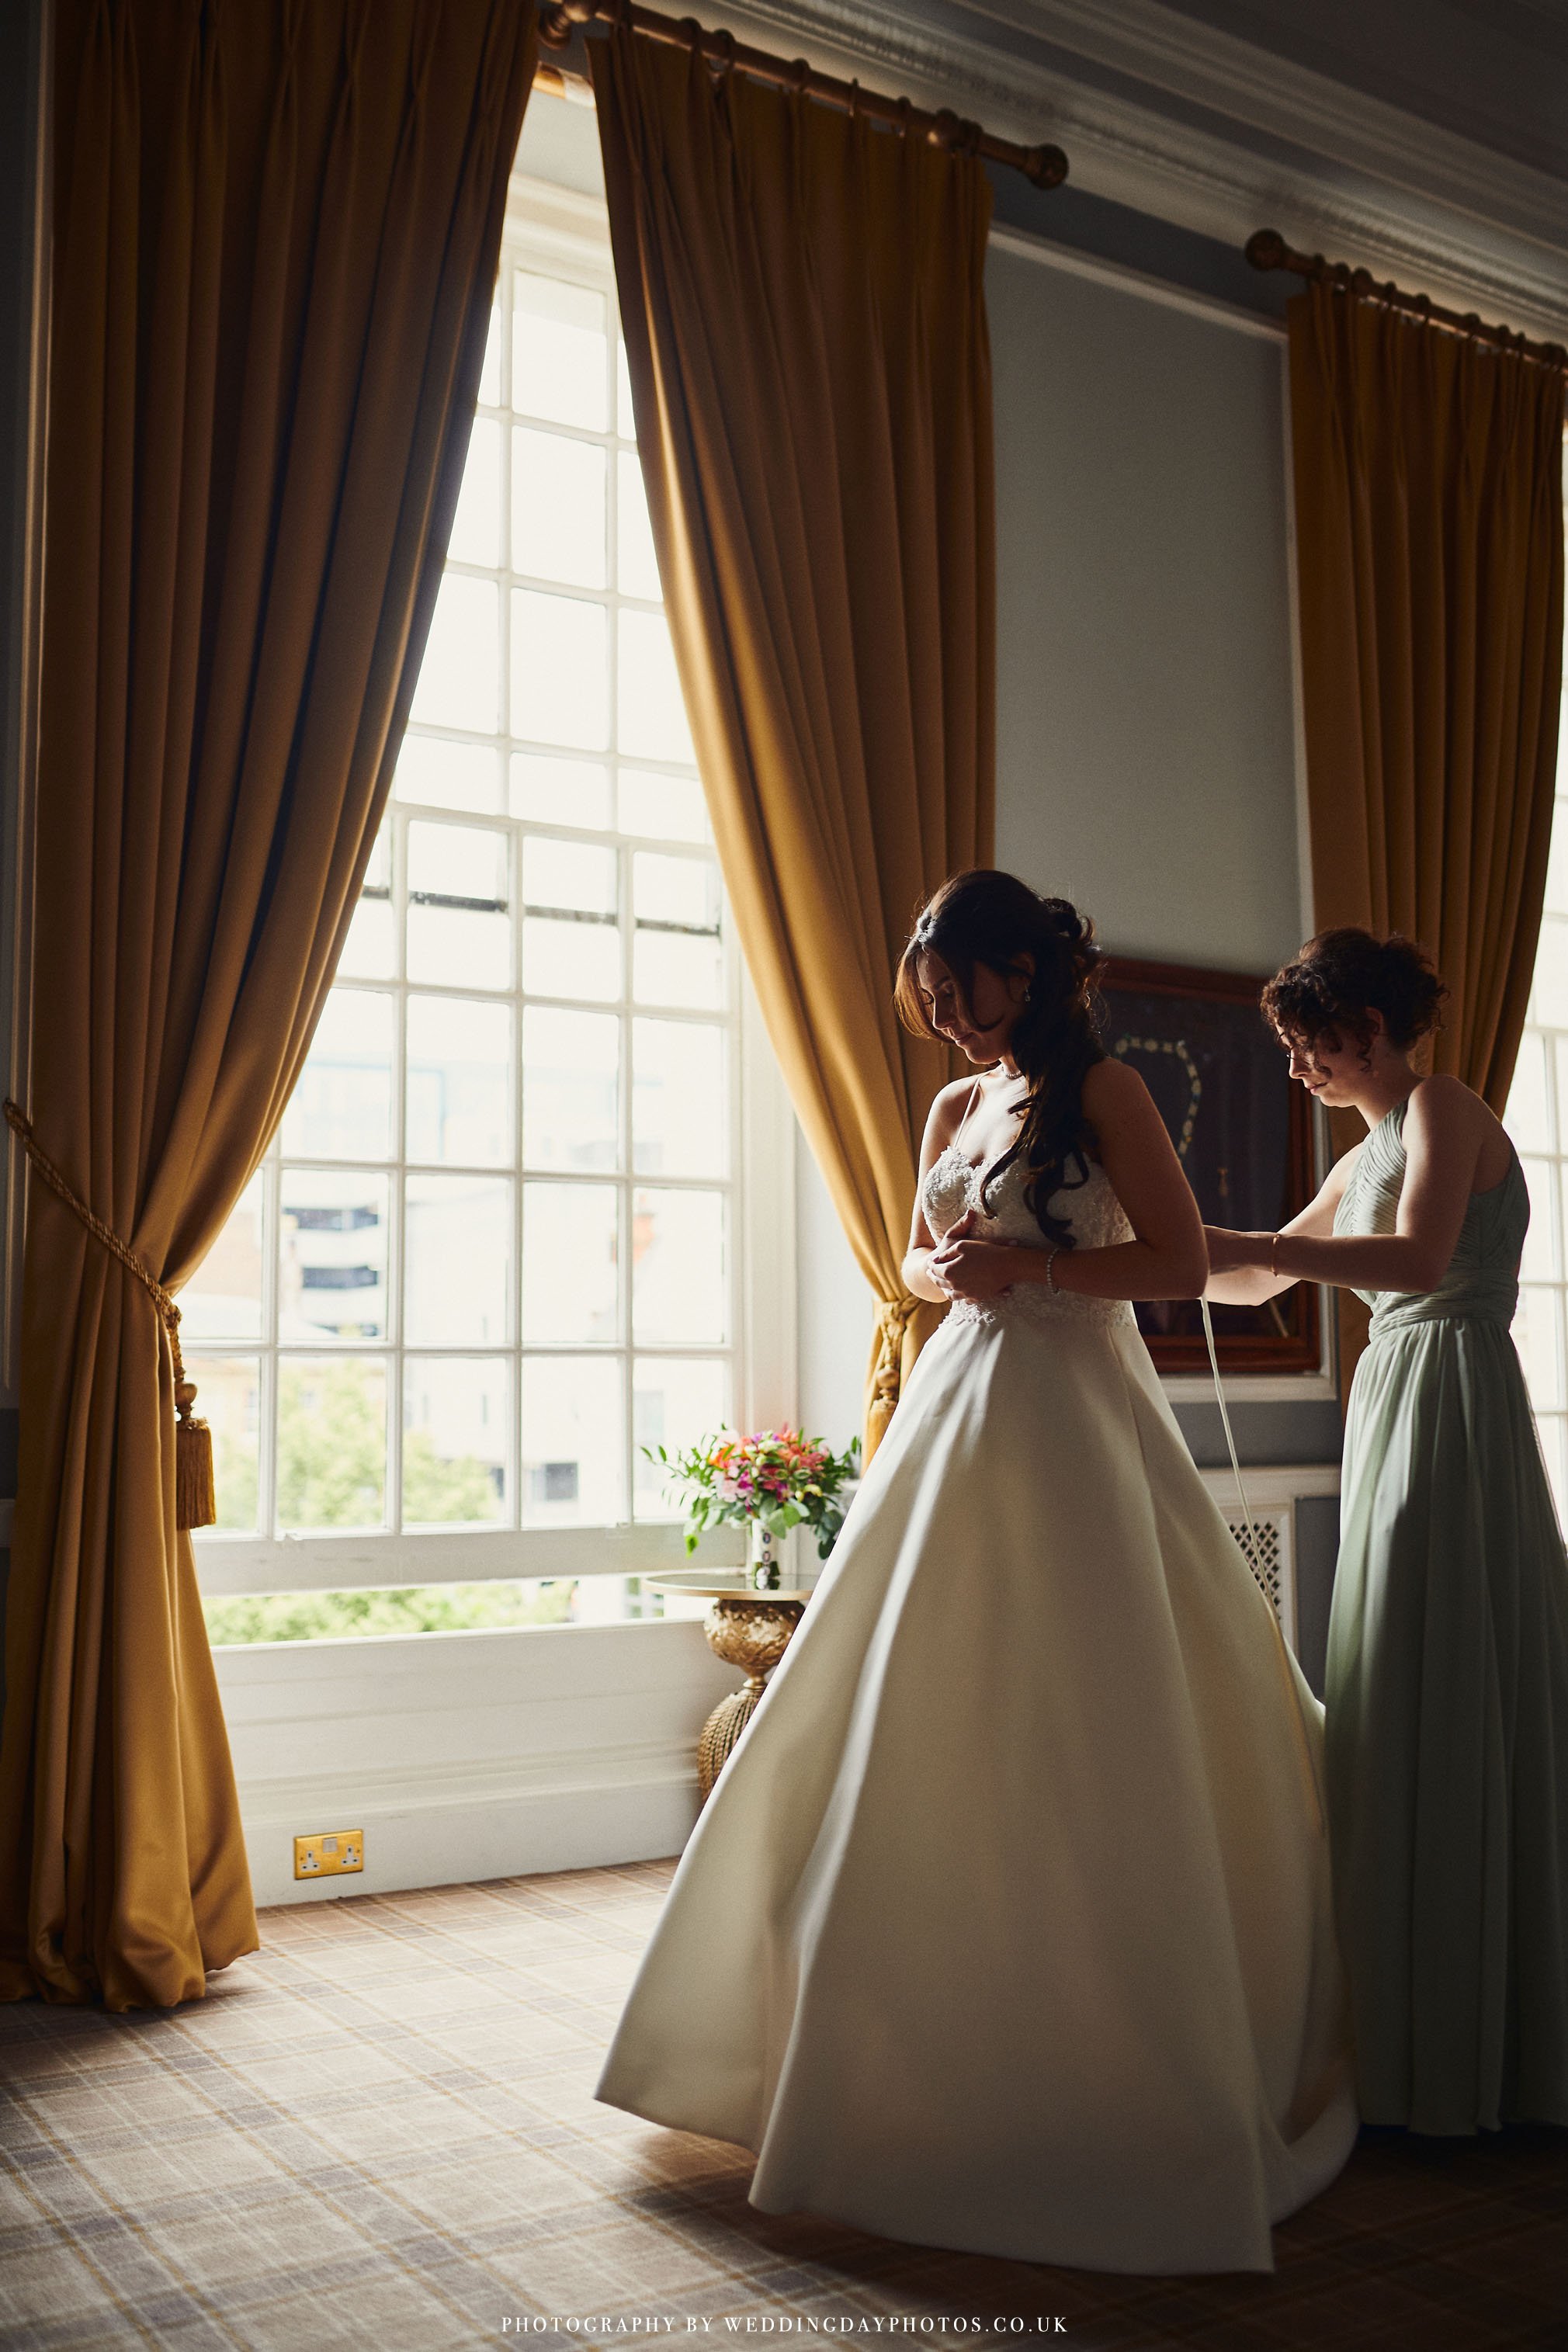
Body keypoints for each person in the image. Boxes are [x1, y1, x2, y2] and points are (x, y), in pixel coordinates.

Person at [595, 870, 1356, 2274]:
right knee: (903, 1699)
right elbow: (913, 1251)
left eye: (958, 996)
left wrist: (1035, 1280)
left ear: (1024, 967)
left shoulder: (1107, 1091)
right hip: (956, 1406)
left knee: (1077, 1699)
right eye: (928, 1005)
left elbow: (1181, 1259)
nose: (943, 1025)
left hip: (1072, 1411)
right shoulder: (956, 1107)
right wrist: (955, 1276)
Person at [1204, 925, 1568, 2135]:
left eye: (1308, 1045)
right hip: (1395, 1398)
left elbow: (1415, 1255)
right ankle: (1410, 2030)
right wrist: (1135, 1244)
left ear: (1363, 1028)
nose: (1300, 1068)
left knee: (1446, 1657)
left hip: (1454, 1388)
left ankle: (1480, 2055)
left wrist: (1262, 1248)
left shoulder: (1446, 1107)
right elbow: (1260, 1276)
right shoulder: (1367, 1147)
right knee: (1392, 1678)